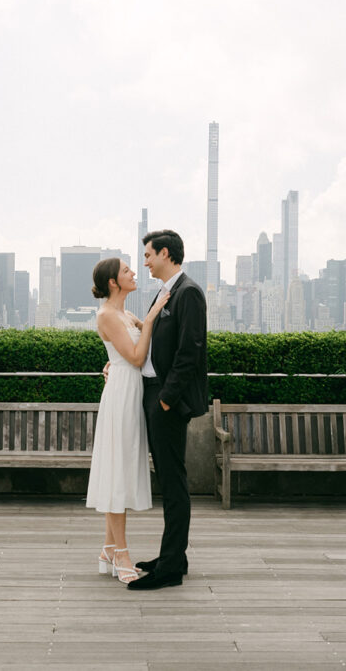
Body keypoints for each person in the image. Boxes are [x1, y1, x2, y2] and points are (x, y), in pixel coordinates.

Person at [127, 229, 208, 591]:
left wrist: (166, 399)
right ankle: (174, 555)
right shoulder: (164, 293)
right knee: (168, 479)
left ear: (165, 253)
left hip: (166, 399)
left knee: (174, 483)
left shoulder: (188, 293)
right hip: (154, 393)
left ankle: (171, 568)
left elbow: (190, 351)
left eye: (148, 255)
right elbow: (159, 342)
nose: (144, 262)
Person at [86, 257, 170, 584]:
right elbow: (134, 358)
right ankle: (121, 553)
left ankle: (109, 547)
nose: (133, 273)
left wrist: (114, 362)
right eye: (126, 271)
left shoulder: (125, 315)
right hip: (121, 396)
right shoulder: (108, 315)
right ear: (112, 282)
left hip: (129, 391)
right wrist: (149, 319)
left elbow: (134, 355)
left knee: (119, 469)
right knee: (117, 471)